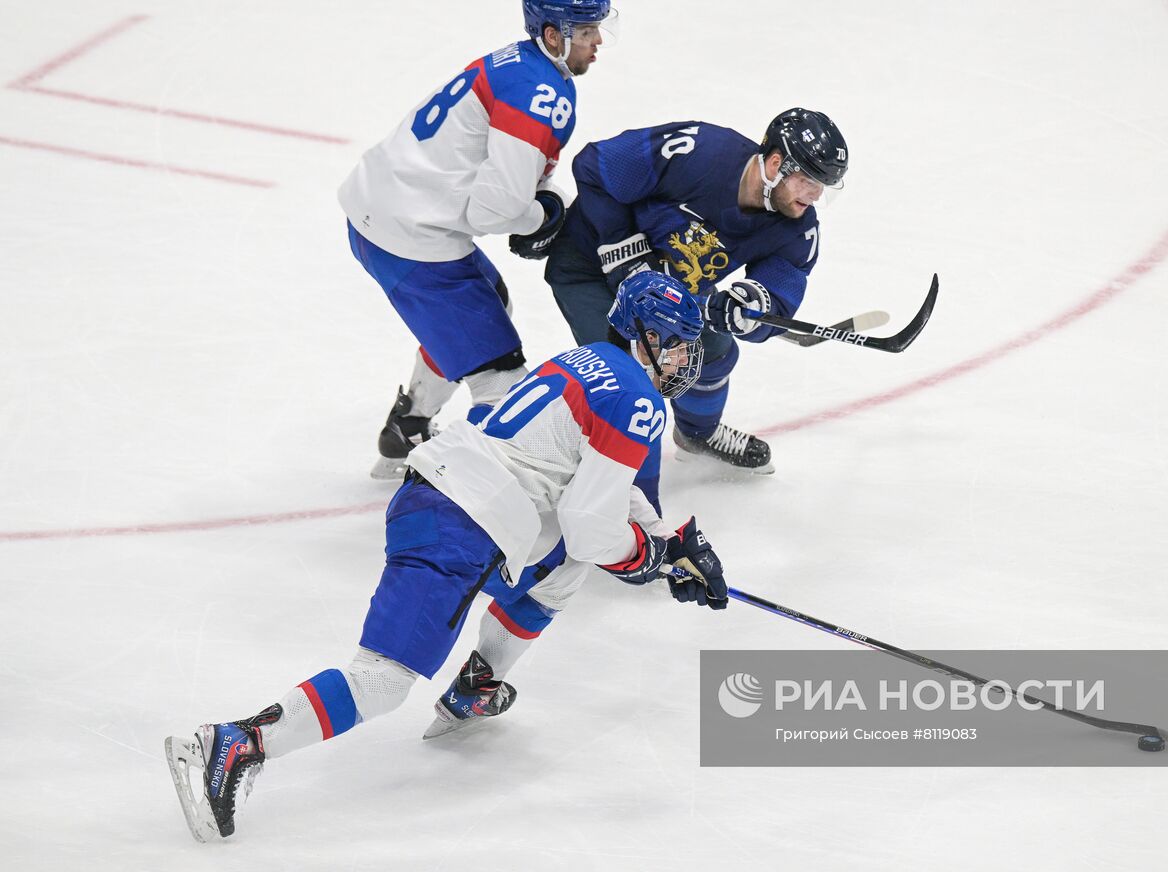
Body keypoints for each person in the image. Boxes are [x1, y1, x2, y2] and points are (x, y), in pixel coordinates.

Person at [164, 273, 730, 842]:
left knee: (561, 571)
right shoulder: (637, 399)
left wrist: (668, 539)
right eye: (677, 343)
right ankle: (240, 743)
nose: (686, 358)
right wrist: (647, 558)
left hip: (449, 498)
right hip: (460, 523)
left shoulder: (590, 361)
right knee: (382, 683)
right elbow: (592, 528)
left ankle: (478, 685)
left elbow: (599, 490)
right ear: (644, 335)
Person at [339, 0, 619, 480]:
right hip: (410, 236)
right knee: (502, 382)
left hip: (385, 206)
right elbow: (494, 211)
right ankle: (447, 493)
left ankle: (408, 426)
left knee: (492, 301)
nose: (597, 41)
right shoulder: (540, 92)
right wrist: (542, 216)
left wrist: (542, 206)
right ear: (553, 35)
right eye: (586, 30)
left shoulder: (517, 62)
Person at [546, 108, 850, 481]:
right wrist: (622, 248)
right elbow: (596, 165)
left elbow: (779, 293)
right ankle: (578, 471)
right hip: (587, 267)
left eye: (823, 187)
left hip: (672, 286)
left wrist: (749, 305)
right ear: (776, 164)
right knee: (621, 377)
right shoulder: (700, 151)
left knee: (714, 351)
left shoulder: (798, 229)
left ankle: (698, 435)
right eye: (808, 181)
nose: (815, 196)